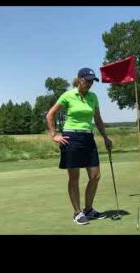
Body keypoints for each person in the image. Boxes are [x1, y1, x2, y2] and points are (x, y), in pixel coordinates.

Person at [46, 67, 113, 225]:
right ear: (80, 79)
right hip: (72, 137)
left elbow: (97, 119)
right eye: (87, 80)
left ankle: (88, 210)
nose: (90, 84)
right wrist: (54, 135)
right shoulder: (68, 95)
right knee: (74, 177)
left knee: (95, 176)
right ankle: (77, 212)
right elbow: (50, 114)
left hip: (88, 137)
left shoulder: (93, 97)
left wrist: (105, 137)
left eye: (92, 81)